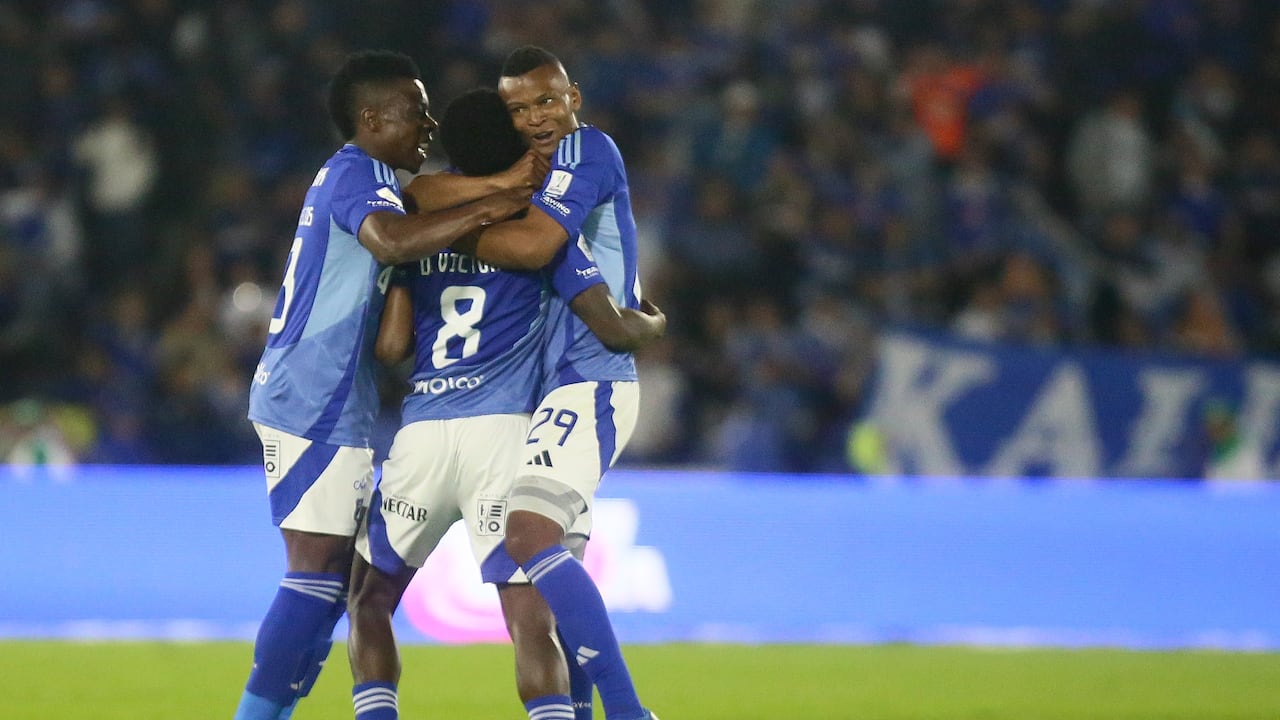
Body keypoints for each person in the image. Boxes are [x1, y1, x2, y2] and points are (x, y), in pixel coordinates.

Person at [346, 87, 665, 720]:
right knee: (530, 623)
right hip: (507, 434)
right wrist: (650, 323)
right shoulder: (537, 230)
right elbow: (603, 318)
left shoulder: (423, 228)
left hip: (425, 433)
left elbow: (392, 346)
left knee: (370, 600)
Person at [235, 50, 536, 720]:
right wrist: (495, 205)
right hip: (313, 395)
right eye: (415, 110)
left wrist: (498, 188)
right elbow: (393, 241)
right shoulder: (357, 175)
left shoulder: (369, 179)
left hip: (329, 396)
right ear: (371, 119)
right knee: (316, 575)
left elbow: (417, 218)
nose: (430, 123)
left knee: (333, 583)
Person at [462, 45, 660, 720]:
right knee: (551, 577)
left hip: (592, 379)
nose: (537, 119)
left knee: (526, 534)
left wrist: (440, 233)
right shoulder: (530, 183)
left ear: (573, 98)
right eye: (519, 110)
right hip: (552, 390)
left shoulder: (585, 152)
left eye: (546, 100)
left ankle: (630, 712)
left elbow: (536, 247)